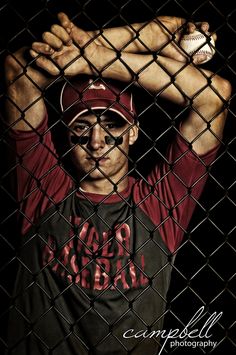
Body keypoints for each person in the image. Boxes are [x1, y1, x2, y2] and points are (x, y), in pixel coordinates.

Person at [4, 12, 231, 355]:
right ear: (66, 136)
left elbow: (214, 95)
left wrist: (94, 54)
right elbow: (17, 70)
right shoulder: (44, 187)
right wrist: (145, 37)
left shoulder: (159, 203)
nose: (97, 142)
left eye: (111, 124)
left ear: (134, 131)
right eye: (83, 127)